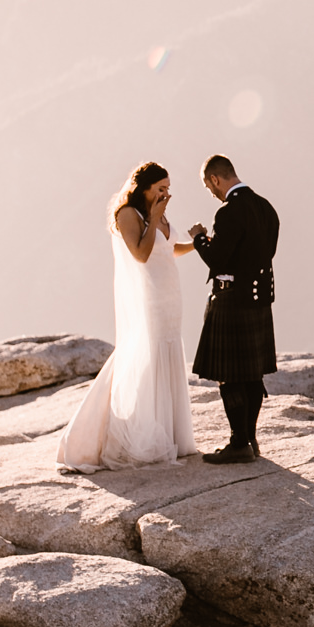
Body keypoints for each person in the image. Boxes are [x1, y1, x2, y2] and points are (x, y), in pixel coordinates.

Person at [59, 162, 199, 471]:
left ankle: (171, 433)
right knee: (144, 356)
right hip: (149, 298)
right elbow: (141, 253)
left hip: (170, 296)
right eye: (160, 188)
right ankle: (101, 435)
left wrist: (200, 244)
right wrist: (153, 215)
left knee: (168, 351)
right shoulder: (129, 214)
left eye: (168, 188)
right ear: (144, 187)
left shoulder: (156, 213)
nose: (166, 193)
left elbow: (168, 248)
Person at [187, 153, 279, 464]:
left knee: (230, 376)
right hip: (258, 300)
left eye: (208, 185)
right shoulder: (267, 209)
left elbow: (217, 260)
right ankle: (250, 438)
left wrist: (200, 239)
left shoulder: (228, 213)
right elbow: (264, 253)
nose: (211, 192)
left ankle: (239, 443)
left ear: (215, 179)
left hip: (231, 300)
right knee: (252, 375)